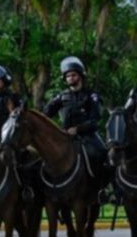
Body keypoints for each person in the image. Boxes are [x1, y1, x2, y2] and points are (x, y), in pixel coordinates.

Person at [42, 56, 108, 188]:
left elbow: (95, 121)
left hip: (88, 136)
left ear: (80, 76)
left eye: (73, 75)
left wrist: (78, 129)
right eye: (67, 76)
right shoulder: (61, 96)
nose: (70, 78)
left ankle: (103, 189)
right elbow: (45, 115)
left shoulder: (91, 95)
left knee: (104, 153)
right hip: (65, 136)